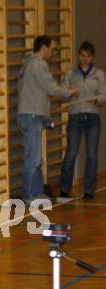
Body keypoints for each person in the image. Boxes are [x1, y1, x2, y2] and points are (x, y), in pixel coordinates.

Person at [18, 35, 78, 205]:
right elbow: (51, 87)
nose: (53, 53)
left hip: (30, 115)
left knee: (36, 158)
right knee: (33, 158)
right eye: (52, 49)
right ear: (43, 48)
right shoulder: (38, 64)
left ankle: (37, 194)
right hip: (31, 116)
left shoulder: (28, 63)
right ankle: (30, 196)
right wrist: (70, 91)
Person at [60, 41, 106, 200]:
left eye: (87, 56)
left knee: (92, 155)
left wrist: (97, 100)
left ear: (92, 57)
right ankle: (65, 188)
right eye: (82, 55)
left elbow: (103, 95)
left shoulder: (99, 74)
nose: (84, 59)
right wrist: (69, 93)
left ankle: (88, 190)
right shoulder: (70, 74)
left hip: (93, 118)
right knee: (71, 152)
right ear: (78, 55)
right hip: (75, 117)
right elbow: (62, 93)